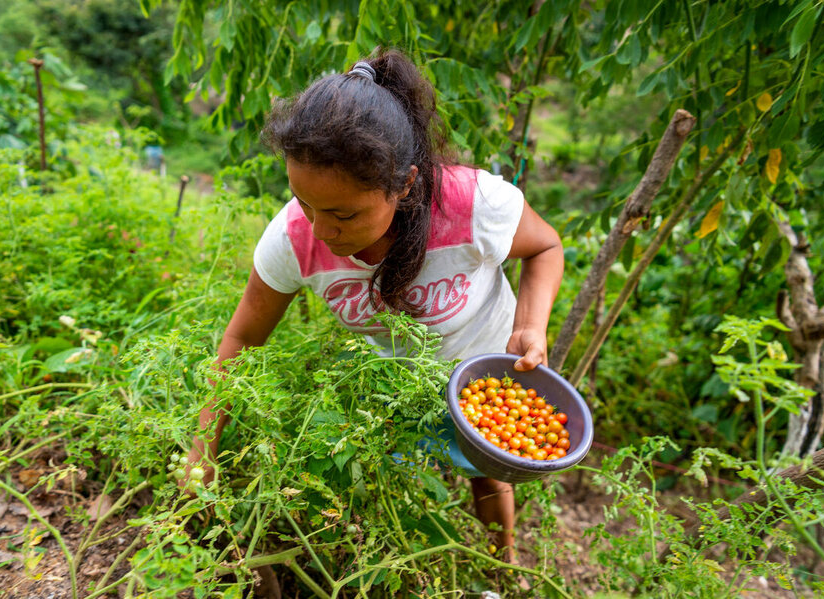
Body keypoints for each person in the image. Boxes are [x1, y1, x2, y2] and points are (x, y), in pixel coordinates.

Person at [183, 48, 564, 583]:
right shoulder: (293, 240)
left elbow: (545, 247)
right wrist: (203, 446)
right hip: (389, 395)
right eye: (303, 202)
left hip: (487, 383)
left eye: (343, 214)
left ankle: (503, 560)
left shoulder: (472, 204)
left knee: (489, 479)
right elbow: (242, 338)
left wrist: (530, 325)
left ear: (404, 185)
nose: (320, 229)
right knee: (391, 489)